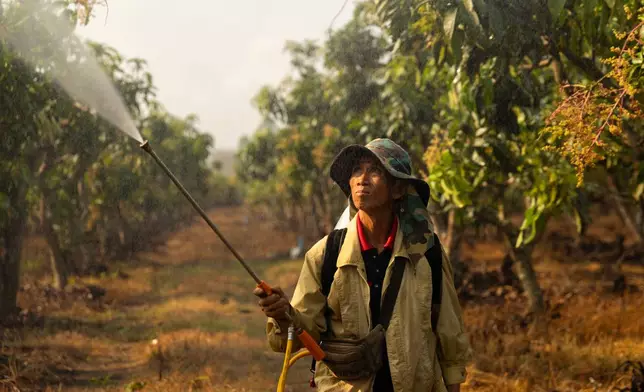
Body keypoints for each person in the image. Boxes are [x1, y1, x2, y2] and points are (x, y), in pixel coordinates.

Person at [254, 138, 472, 392]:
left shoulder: (427, 254)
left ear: (399, 189)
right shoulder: (325, 255)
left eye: (376, 171)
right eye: (357, 170)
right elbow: (304, 333)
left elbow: (450, 337)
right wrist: (283, 315)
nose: (362, 179)